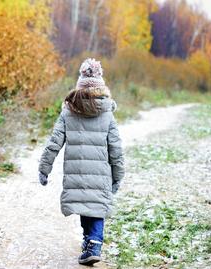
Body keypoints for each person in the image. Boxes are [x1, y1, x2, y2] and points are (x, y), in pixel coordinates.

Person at [38, 58, 125, 266]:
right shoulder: (107, 114)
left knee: (84, 203)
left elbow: (54, 143)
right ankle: (93, 242)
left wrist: (44, 168)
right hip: (100, 173)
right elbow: (116, 149)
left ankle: (90, 243)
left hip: (76, 172)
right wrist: (118, 175)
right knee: (95, 205)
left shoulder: (69, 111)